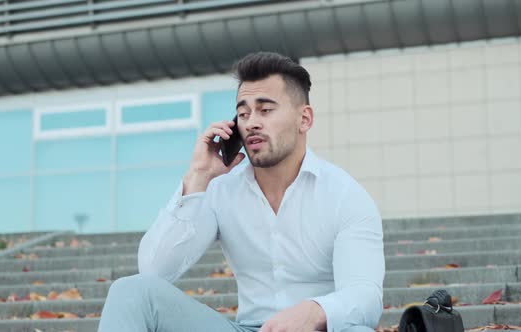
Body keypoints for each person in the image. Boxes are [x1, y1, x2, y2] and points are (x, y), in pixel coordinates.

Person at [97, 52, 385, 332]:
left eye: (266, 110)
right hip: (246, 328)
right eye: (243, 113)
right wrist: (199, 177)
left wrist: (315, 310)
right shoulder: (220, 187)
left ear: (304, 119)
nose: (251, 123)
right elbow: (154, 271)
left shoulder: (344, 195)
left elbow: (365, 297)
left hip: (317, 330)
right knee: (131, 291)